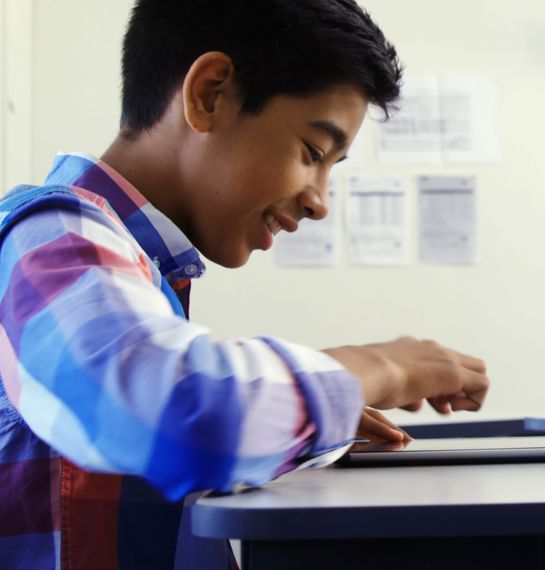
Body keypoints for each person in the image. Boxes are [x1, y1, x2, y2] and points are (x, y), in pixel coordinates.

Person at [0, 1, 490, 568]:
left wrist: (294, 424)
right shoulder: (50, 234)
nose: (319, 202)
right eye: (312, 152)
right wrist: (379, 367)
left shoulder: (138, 270)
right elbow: (177, 412)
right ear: (211, 93)